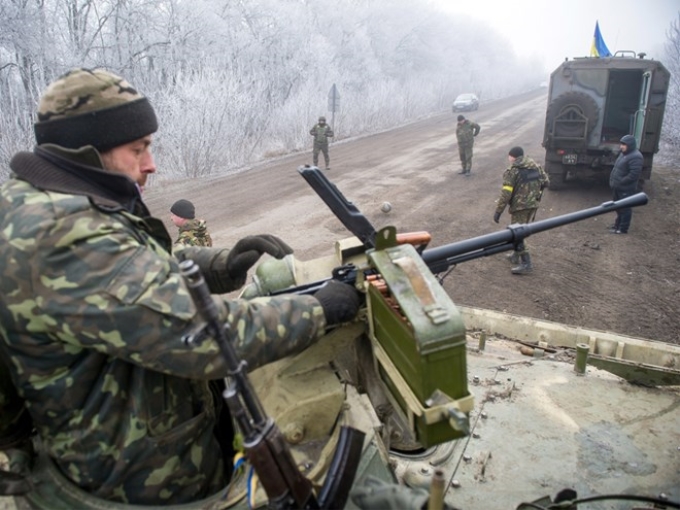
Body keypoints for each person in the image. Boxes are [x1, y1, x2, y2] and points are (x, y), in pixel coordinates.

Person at [0, 68, 362, 505]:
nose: (151, 164)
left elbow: (131, 274)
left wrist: (221, 264)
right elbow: (199, 337)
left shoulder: (38, 202)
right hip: (138, 480)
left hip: (109, 437)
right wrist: (320, 310)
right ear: (87, 152)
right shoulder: (65, 235)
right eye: (138, 149)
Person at [493, 146, 549, 275]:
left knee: (518, 234)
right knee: (520, 230)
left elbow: (506, 194)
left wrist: (498, 211)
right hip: (533, 205)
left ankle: (526, 263)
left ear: (513, 156)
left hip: (520, 207)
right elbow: (546, 182)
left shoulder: (513, 171)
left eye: (509, 156)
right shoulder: (535, 166)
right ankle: (515, 255)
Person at [608, 134, 642, 234]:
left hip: (625, 188)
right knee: (618, 207)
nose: (621, 146)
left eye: (624, 145)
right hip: (618, 187)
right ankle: (617, 225)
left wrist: (621, 182)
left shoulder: (636, 157)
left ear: (630, 145)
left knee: (625, 208)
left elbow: (634, 175)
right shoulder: (624, 154)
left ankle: (622, 229)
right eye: (621, 144)